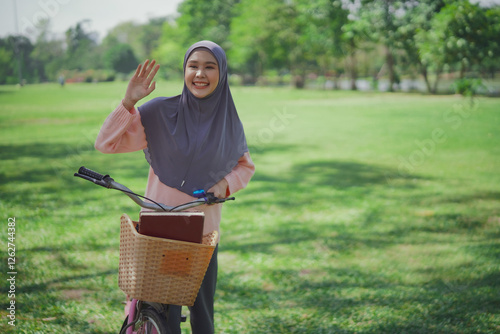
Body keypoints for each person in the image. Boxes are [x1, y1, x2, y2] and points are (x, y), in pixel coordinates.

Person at [94, 40, 255, 334]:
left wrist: (222, 186)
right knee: (162, 313)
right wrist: (128, 103)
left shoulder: (229, 122)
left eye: (210, 66)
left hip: (202, 233)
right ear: (184, 70)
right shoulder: (157, 112)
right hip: (159, 232)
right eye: (193, 66)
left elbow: (245, 167)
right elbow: (105, 144)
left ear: (222, 73)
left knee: (202, 314)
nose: (200, 74)